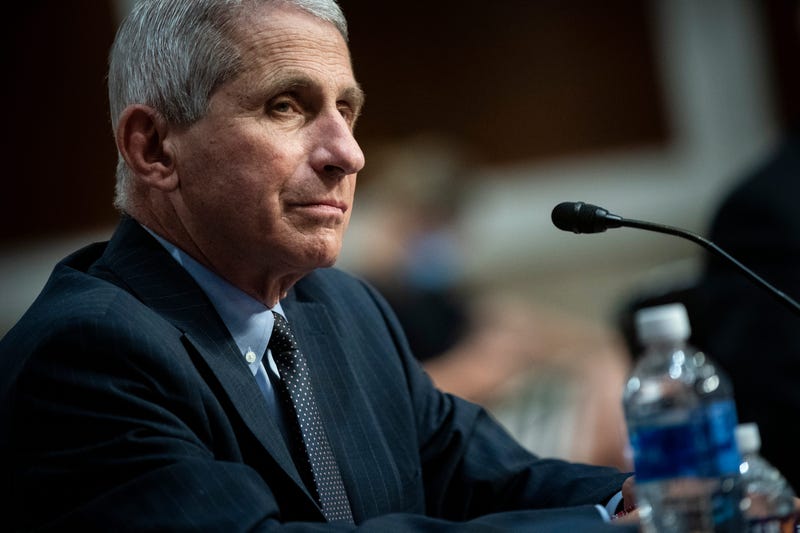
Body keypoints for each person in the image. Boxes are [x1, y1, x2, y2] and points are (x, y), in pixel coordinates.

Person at [0, 0, 639, 530]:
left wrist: (640, 500)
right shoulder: (86, 355)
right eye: (287, 106)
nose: (348, 153)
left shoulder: (345, 308)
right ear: (155, 148)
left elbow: (485, 475)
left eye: (347, 110)